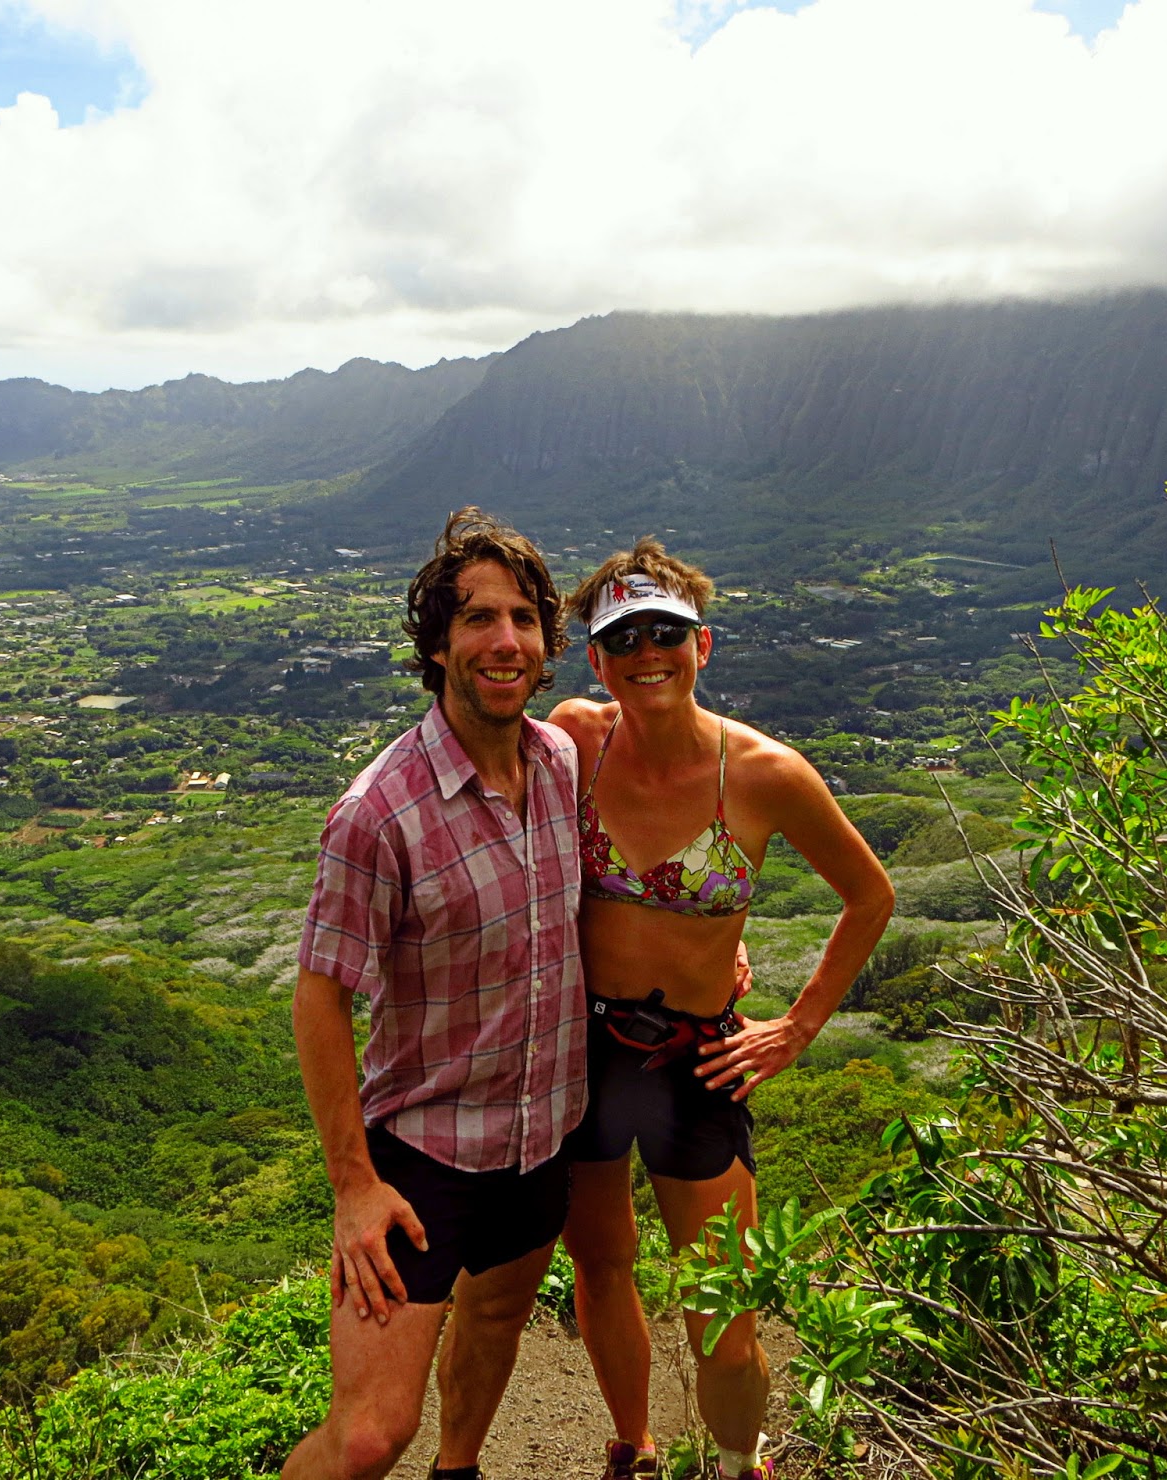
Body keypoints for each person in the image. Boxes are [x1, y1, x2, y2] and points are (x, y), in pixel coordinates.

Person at [549, 542, 895, 1480]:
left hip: (696, 1061)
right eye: (624, 637)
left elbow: (870, 897)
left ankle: (743, 1464)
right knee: (602, 1261)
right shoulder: (576, 736)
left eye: (666, 632)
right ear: (597, 658)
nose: (646, 652)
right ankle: (634, 1443)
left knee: (725, 1308)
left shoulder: (766, 773)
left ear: (705, 645)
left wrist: (799, 1026)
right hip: (580, 1049)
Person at [282, 507, 586, 1480]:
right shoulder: (380, 812)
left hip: (541, 1137)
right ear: (437, 644)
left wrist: (724, 949)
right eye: (476, 618)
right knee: (370, 1433)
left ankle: (462, 1469)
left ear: (545, 645)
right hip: (419, 1161)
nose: (503, 640)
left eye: (523, 619)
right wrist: (352, 1186)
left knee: (498, 1317)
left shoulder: (563, 766)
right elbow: (320, 995)